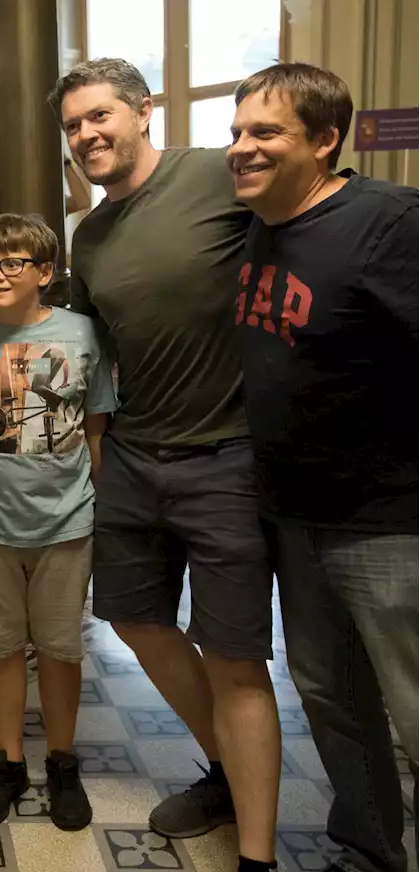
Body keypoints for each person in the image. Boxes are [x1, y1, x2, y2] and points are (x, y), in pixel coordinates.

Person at [51, 58, 281, 872]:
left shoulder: (214, 176)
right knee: (134, 618)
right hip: (136, 459)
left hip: (227, 455)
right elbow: (95, 351)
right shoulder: (90, 234)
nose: (86, 136)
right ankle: (226, 768)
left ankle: (256, 855)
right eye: (73, 126)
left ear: (142, 112)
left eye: (99, 116)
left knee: (233, 653)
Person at [229, 62, 420, 872]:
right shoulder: (259, 224)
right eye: (237, 132)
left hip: (388, 524)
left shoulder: (390, 222)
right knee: (335, 703)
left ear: (326, 139)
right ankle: (370, 849)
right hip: (294, 516)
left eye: (265, 133)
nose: (241, 148)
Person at [0, 213, 115, 833]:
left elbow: (96, 427)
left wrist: (104, 508)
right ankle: (8, 760)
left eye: (10, 263)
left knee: (61, 648)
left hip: (66, 522)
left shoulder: (83, 334)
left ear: (44, 272)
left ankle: (63, 761)